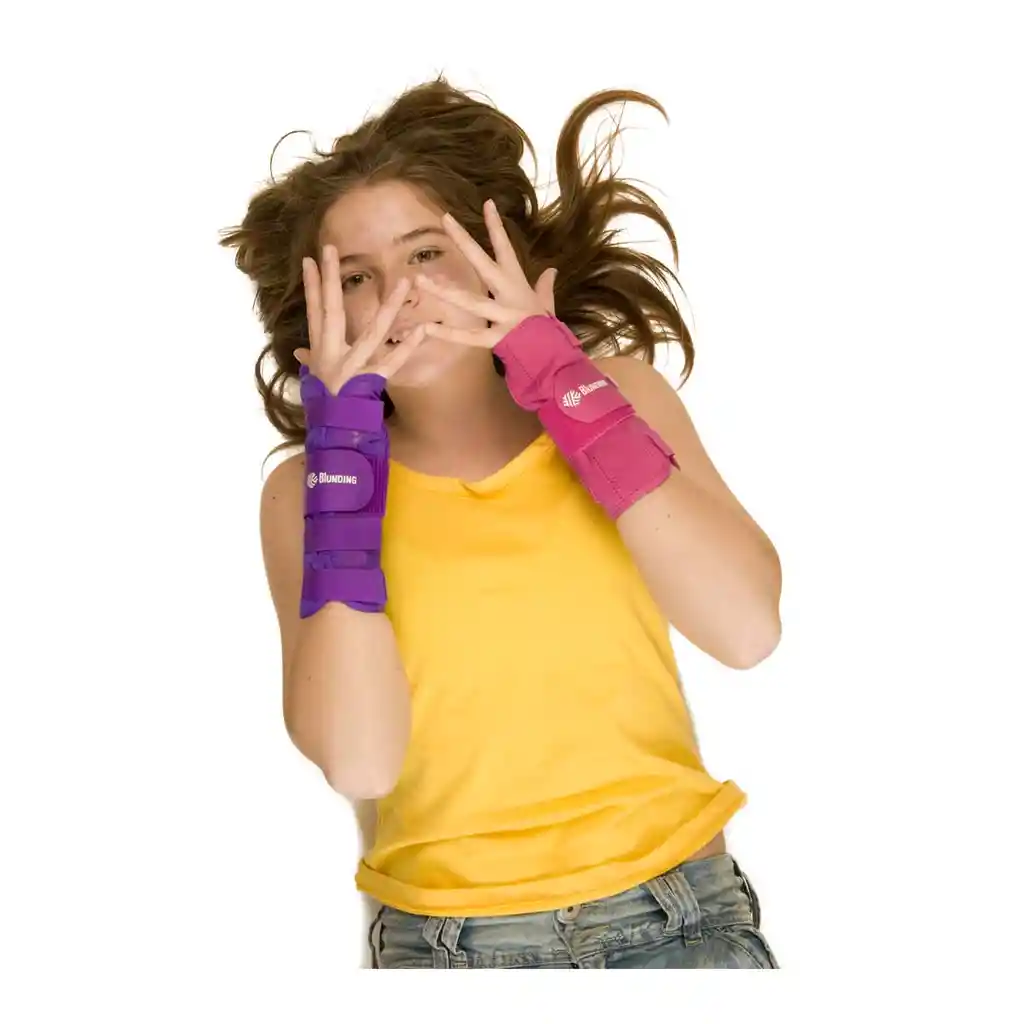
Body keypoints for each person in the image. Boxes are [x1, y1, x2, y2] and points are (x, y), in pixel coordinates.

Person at [219, 78, 783, 969]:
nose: (400, 294)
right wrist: (344, 462)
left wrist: (567, 386)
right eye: (357, 277)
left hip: (680, 919)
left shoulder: (623, 395)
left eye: (426, 253)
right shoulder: (302, 491)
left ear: (496, 256)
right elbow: (360, 763)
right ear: (319, 311)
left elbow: (747, 630)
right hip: (444, 948)